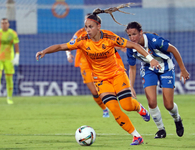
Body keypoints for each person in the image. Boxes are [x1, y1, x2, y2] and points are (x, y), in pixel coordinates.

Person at [36, 9, 161, 145]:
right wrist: (44, 51)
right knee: (114, 109)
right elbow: (61, 46)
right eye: (86, 27)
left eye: (91, 27)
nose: (87, 30)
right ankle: (136, 136)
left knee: (126, 105)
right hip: (101, 79)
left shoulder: (110, 37)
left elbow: (134, 45)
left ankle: (138, 108)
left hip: (117, 74)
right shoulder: (82, 40)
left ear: (98, 26)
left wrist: (150, 59)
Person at [125, 21, 190, 138]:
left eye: (134, 34)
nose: (132, 38)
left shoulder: (154, 40)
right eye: (129, 35)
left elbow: (174, 50)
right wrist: (131, 86)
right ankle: (161, 130)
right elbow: (132, 68)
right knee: (151, 101)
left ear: (141, 32)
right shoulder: (131, 47)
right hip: (148, 69)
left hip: (166, 67)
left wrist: (183, 69)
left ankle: (177, 119)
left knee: (168, 105)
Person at [66, 27, 110, 118]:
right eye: (86, 25)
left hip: (98, 63)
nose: (88, 27)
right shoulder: (79, 33)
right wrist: (68, 54)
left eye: (90, 25)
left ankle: (113, 106)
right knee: (94, 91)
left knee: (105, 88)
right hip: (85, 65)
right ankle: (104, 109)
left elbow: (110, 43)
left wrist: (120, 48)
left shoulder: (100, 33)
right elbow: (68, 46)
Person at [0, 18, 20, 104]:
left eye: (5, 23)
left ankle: (9, 98)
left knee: (9, 78)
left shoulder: (12, 33)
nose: (4, 24)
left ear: (8, 24)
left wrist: (17, 56)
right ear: (0, 24)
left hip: (9, 59)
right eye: (2, 23)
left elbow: (16, 45)